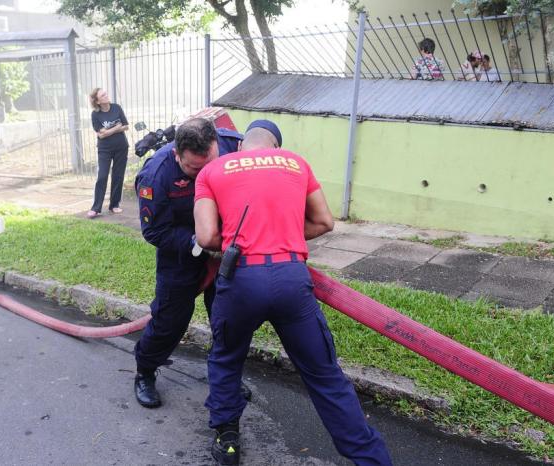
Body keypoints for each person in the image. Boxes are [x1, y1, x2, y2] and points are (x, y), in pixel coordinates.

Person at [194, 120, 393, 466]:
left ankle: (227, 442)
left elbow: (207, 236)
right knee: (325, 376)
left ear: (242, 145)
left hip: (241, 280)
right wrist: (285, 234)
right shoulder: (296, 163)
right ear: (275, 146)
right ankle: (372, 460)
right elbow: (325, 222)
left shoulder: (213, 170)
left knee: (226, 357)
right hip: (291, 278)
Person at [133, 117, 250, 408]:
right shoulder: (157, 173)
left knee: (228, 320)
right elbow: (154, 230)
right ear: (177, 154)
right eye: (195, 170)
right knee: (170, 321)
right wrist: (199, 243)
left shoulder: (234, 147)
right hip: (182, 254)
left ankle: (226, 378)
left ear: (216, 146)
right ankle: (145, 371)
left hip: (226, 252)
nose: (206, 175)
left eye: (211, 164)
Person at [87, 88, 130, 218]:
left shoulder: (116, 108)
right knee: (102, 176)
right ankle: (96, 208)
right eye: (103, 95)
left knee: (118, 176)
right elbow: (101, 135)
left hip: (121, 147)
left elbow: (126, 125)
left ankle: (114, 205)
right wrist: (117, 127)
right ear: (97, 101)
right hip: (104, 150)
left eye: (106, 93)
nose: (106, 95)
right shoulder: (95, 114)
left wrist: (109, 130)